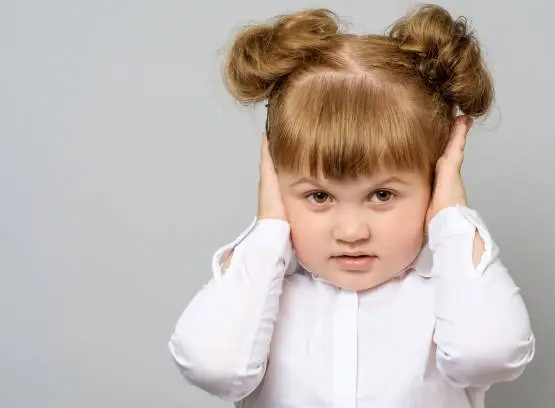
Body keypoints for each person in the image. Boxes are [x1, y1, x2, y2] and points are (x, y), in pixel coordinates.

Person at [167, 4, 535, 407]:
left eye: (382, 195)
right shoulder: (260, 295)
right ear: (275, 180)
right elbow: (215, 367)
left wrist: (450, 213)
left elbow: (489, 355)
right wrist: (270, 227)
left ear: (433, 182)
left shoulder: (451, 293)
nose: (352, 231)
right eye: (319, 196)